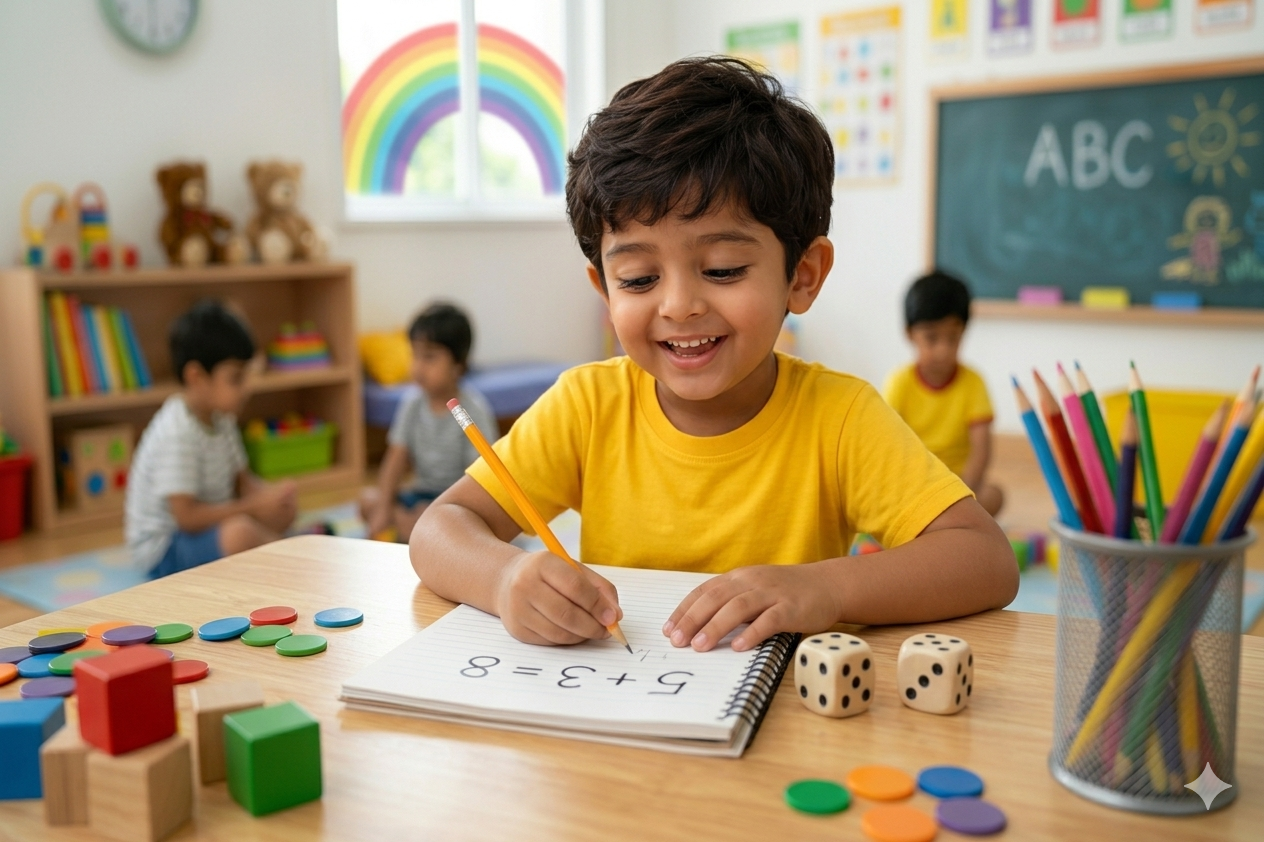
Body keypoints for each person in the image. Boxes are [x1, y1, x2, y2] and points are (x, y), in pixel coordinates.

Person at [411, 57, 1017, 653]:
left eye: (723, 268)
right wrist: (504, 577)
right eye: (639, 278)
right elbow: (438, 531)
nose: (678, 306)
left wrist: (826, 588)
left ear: (802, 275)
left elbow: (985, 559)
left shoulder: (841, 417)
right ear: (604, 290)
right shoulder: (586, 407)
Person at [126, 301, 297, 578]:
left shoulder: (222, 419)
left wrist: (272, 497)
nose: (247, 388)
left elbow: (244, 483)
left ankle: (281, 548)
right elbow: (187, 518)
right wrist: (253, 507)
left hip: (210, 526)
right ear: (197, 377)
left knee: (280, 511)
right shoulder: (177, 431)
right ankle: (290, 558)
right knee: (240, 533)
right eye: (236, 378)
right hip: (167, 550)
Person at [360, 303, 497, 541]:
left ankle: (418, 531)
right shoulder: (412, 403)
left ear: (458, 365)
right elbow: (395, 459)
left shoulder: (470, 410)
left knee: (441, 520)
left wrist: (440, 510)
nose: (418, 367)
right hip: (420, 494)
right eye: (415, 354)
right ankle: (417, 531)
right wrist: (384, 507)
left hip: (457, 501)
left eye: (430, 357)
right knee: (368, 501)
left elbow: (479, 479)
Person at [884, 271, 1004, 517]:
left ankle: (944, 522)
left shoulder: (973, 383)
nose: (943, 350)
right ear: (910, 334)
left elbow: (981, 450)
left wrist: (961, 493)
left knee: (993, 495)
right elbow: (889, 446)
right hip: (913, 486)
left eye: (954, 338)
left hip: (959, 486)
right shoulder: (900, 383)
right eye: (931, 338)